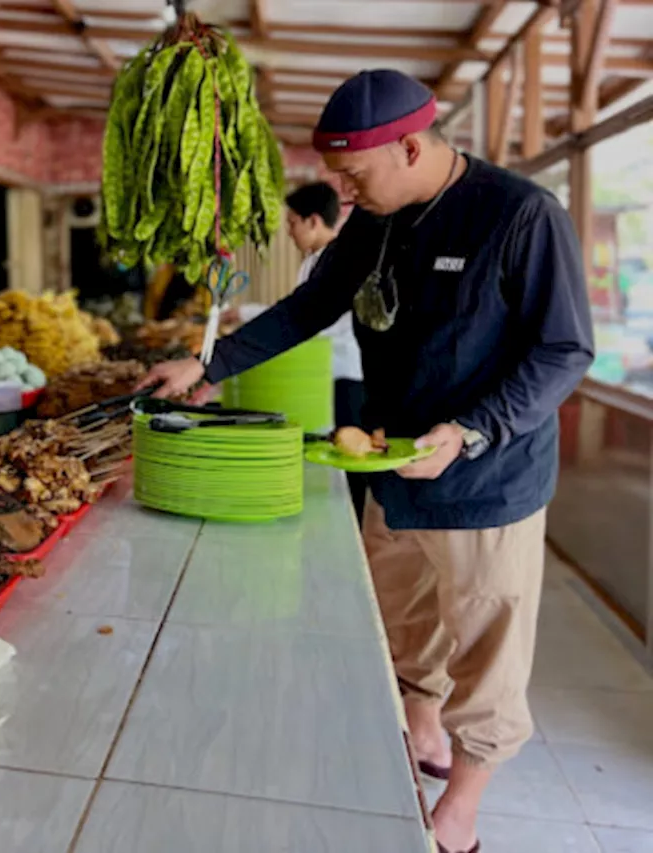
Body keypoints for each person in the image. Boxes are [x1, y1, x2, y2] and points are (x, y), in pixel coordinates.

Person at [138, 70, 594, 853]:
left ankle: (463, 807)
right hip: (389, 465)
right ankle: (421, 732)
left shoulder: (520, 215)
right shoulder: (375, 221)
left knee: (485, 645)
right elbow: (311, 304)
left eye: (354, 174)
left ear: (411, 146)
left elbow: (564, 349)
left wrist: (471, 428)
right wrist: (207, 366)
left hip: (484, 481)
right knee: (404, 617)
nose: (342, 194)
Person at [230, 182, 369, 519]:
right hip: (320, 373)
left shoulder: (339, 263)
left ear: (314, 221)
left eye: (293, 223)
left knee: (350, 460)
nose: (289, 232)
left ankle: (351, 530)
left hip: (344, 374)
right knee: (331, 454)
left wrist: (249, 319)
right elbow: (297, 314)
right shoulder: (312, 262)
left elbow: (312, 322)